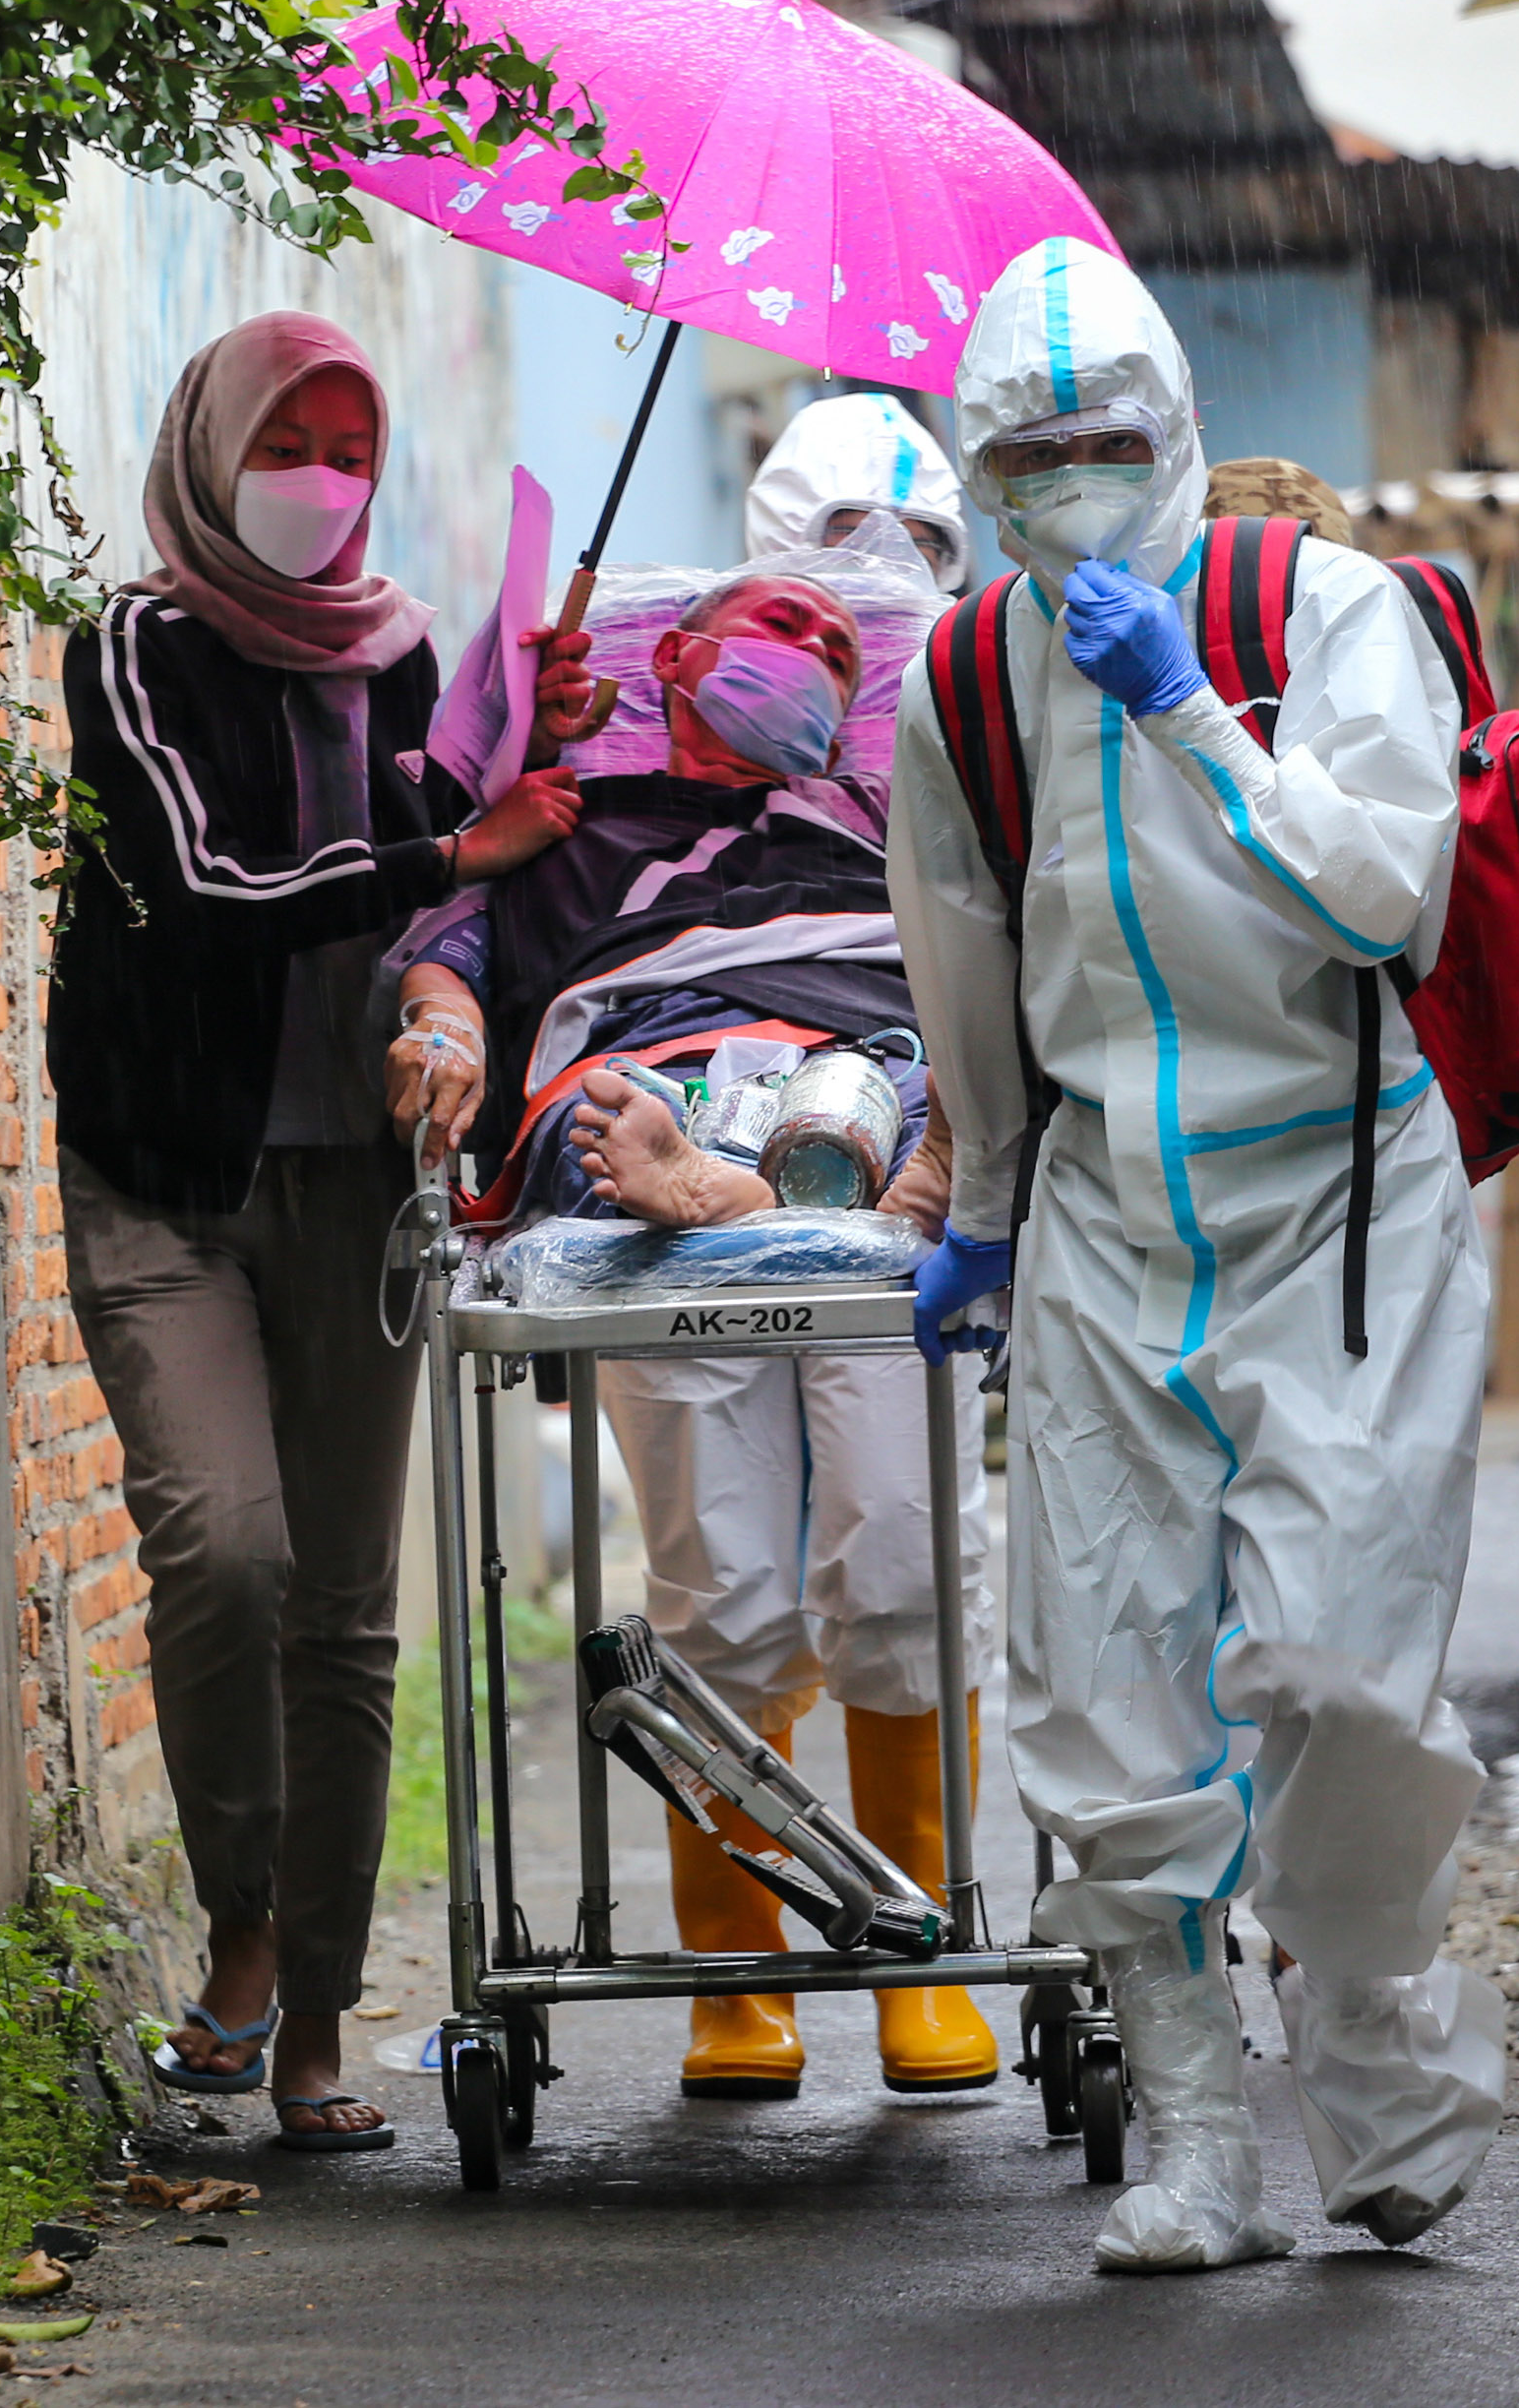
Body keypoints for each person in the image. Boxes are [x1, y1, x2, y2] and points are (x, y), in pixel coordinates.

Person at [886, 236, 1504, 2272]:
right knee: (1103, 1702)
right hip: (1096, 1227)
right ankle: (1194, 2144)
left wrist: (1186, 717)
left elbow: (1379, 892)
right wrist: (978, 1211)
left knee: (1334, 1670)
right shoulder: (960, 670)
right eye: (1024, 454)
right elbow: (958, 955)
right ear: (976, 465)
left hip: (1340, 1205)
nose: (1064, 483)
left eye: (1101, 443)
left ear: (1178, 435)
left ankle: (1382, 2066)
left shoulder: (1325, 610)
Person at [53, 312, 580, 2152]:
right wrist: (453, 854)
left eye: (353, 446)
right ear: (215, 443)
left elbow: (459, 872)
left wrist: (526, 748)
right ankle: (244, 1929)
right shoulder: (135, 645)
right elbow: (201, 887)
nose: (325, 479)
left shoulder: (407, 648)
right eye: (294, 438)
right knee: (228, 1554)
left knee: (348, 1614)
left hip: (356, 1183)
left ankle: (310, 2024)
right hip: (169, 1177)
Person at [399, 552, 999, 2102]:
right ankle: (743, 1977)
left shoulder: (889, 834)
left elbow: (993, 960)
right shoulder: (569, 830)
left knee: (901, 1548)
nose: (802, 646)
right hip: (631, 1139)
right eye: (765, 624)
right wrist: (445, 1006)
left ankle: (913, 1949)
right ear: (672, 658)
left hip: (868, 1092)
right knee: (723, 1581)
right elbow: (443, 934)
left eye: (826, 635)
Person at [745, 391, 972, 587]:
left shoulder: (967, 636)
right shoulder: (727, 635)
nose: (884, 571)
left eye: (913, 547)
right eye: (856, 544)